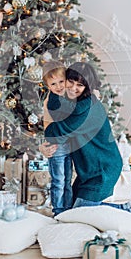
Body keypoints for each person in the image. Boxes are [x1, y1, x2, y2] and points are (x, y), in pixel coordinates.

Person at [41, 61, 131, 214]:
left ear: (87, 87)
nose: (73, 88)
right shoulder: (71, 101)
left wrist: (47, 136)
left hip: (102, 169)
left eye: (79, 85)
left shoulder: (87, 108)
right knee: (70, 209)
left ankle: (125, 209)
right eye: (71, 81)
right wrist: (44, 145)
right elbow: (54, 112)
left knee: (79, 212)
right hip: (87, 170)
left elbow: (58, 131)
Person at [42, 60, 73, 216]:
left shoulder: (67, 95)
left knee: (67, 180)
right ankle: (58, 210)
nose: (59, 86)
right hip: (57, 146)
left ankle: (67, 209)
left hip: (68, 145)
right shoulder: (54, 101)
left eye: (61, 81)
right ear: (48, 86)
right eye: (53, 84)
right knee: (59, 181)